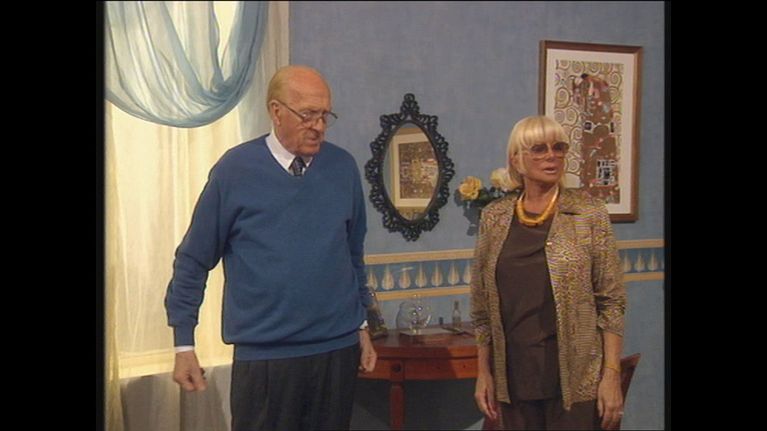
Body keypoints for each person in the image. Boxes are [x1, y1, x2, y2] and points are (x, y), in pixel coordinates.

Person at [164, 65, 377, 431]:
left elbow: (352, 254)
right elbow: (193, 260)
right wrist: (184, 344)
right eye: (308, 115)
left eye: (325, 115)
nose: (319, 126)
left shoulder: (342, 167)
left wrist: (362, 325)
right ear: (276, 111)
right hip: (266, 359)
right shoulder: (235, 170)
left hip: (336, 352)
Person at [470, 115, 626, 430]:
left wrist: (611, 375)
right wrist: (484, 373)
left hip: (575, 377)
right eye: (539, 149)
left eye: (559, 147)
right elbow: (482, 306)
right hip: (514, 376)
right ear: (516, 159)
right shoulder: (494, 217)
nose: (552, 156)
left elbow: (612, 302)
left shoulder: (588, 214)